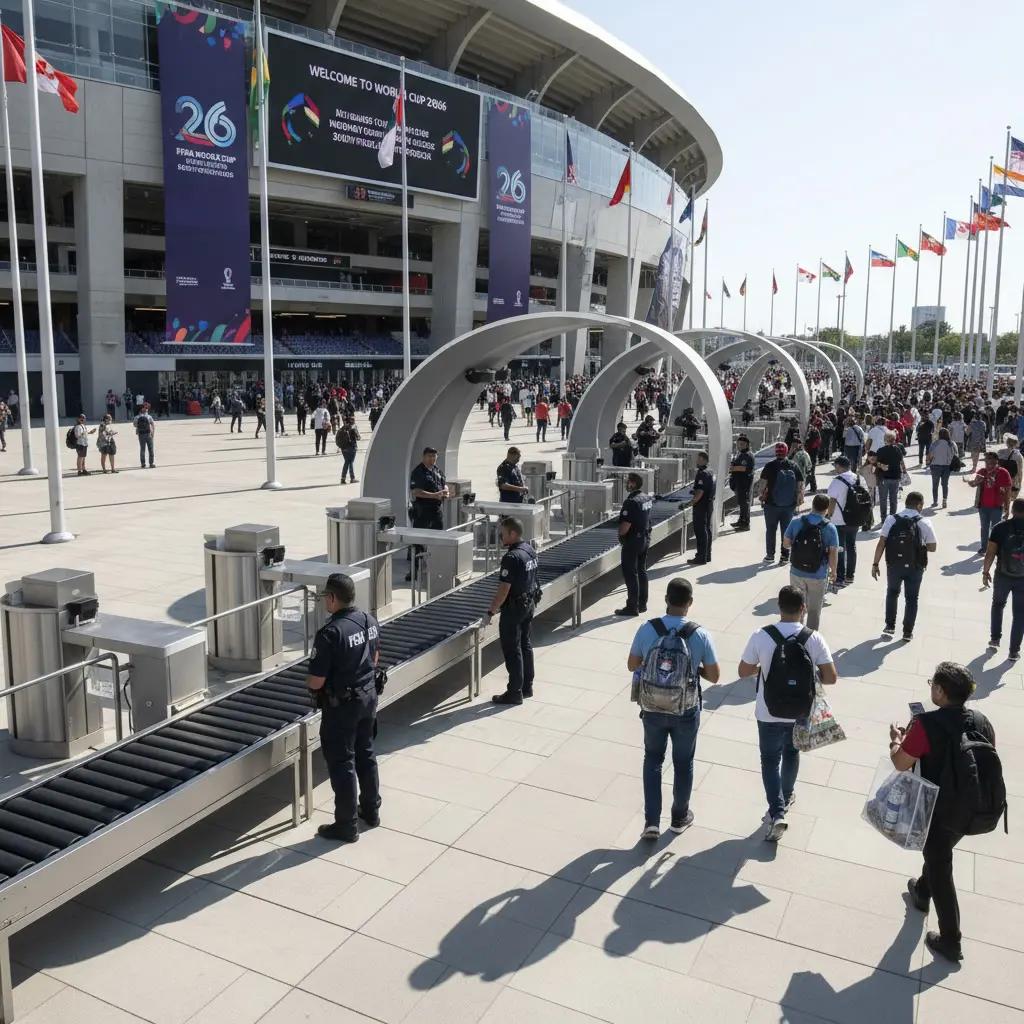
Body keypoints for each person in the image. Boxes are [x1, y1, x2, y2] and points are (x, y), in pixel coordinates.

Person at [890, 662, 996, 962]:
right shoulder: (981, 720)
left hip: (938, 810)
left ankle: (951, 940)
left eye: (932, 684)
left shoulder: (926, 725)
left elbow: (900, 763)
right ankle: (922, 891)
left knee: (941, 868)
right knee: (938, 855)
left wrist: (896, 740)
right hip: (974, 806)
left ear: (940, 691)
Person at [738, 585, 838, 841]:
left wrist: (764, 666)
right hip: (800, 712)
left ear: (778, 607)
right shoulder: (813, 638)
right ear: (803, 608)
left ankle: (777, 810)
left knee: (769, 760)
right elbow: (831, 678)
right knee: (792, 752)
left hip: (768, 711)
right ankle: (786, 794)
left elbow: (743, 671)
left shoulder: (761, 635)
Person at [627, 577, 720, 839]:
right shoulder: (699, 634)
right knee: (683, 763)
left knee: (653, 760)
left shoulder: (648, 629)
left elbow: (632, 664)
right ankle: (679, 817)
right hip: (686, 710)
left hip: (653, 707)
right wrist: (695, 669)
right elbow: (714, 676)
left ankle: (651, 822)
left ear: (666, 599)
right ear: (690, 603)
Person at [306, 573, 381, 843]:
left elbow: (316, 680)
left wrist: (314, 690)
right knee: (366, 753)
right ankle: (371, 810)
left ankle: (346, 823)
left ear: (332, 597)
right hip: (368, 697)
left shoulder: (330, 633)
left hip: (342, 707)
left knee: (342, 762)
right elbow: (374, 657)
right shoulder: (368, 620)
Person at [486, 517, 539, 705]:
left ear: (513, 533)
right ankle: (527, 686)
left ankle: (514, 691)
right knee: (525, 644)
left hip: (514, 608)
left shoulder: (511, 557)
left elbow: (503, 590)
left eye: (503, 533)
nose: (500, 536)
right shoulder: (530, 550)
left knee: (512, 648)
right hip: (528, 603)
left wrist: (491, 612)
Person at [871, 490, 937, 641]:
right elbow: (933, 547)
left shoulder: (891, 519)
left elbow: (881, 542)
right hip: (916, 566)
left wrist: (875, 563)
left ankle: (890, 626)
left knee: (892, 593)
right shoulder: (924, 522)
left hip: (894, 564)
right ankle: (907, 632)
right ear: (919, 505)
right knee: (912, 598)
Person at [782, 494, 839, 630]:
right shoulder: (830, 527)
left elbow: (786, 543)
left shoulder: (796, 522)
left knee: (796, 606)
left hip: (797, 571)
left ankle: (795, 633)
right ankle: (809, 637)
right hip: (818, 574)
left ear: (812, 505)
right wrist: (833, 572)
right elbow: (833, 552)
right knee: (814, 610)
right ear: (826, 509)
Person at [984, 496, 1024, 659]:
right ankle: (1014, 650)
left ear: (1012, 510)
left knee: (998, 604)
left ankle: (995, 638)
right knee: (1020, 614)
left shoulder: (1001, 527)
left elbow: (990, 552)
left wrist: (985, 572)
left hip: (1003, 574)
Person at [759, 442, 804, 565]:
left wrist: (761, 495)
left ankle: (770, 555)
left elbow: (762, 484)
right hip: (789, 505)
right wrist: (799, 500)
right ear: (786, 451)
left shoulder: (769, 466)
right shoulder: (793, 465)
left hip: (771, 504)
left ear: (776, 452)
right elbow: (800, 484)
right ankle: (784, 556)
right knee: (786, 531)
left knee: (771, 530)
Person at [409, 446, 448, 581]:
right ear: (423, 457)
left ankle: (436, 569)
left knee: (438, 541)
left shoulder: (436, 471)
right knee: (418, 543)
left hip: (437, 511)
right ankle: (414, 571)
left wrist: (445, 491)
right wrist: (434, 495)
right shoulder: (418, 472)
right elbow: (417, 491)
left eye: (434, 457)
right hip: (422, 512)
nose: (432, 460)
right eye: (430, 457)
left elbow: (444, 483)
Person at [616, 472, 652, 616]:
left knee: (630, 573)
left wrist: (621, 536)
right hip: (645, 537)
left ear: (633, 484)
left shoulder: (631, 501)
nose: (627, 484)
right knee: (641, 570)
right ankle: (642, 603)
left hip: (633, 540)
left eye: (629, 482)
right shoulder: (646, 498)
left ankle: (632, 606)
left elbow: (625, 525)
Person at [826, 455, 862, 587]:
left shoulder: (837, 481)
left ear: (840, 466)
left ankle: (840, 577)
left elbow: (832, 500)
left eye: (836, 466)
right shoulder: (858, 478)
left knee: (840, 548)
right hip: (855, 518)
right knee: (851, 546)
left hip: (839, 520)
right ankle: (850, 576)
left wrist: (828, 516)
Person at [967, 451, 1012, 554]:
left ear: (997, 462)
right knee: (984, 528)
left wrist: (1007, 508)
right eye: (986, 462)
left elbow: (1008, 491)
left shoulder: (1003, 473)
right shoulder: (982, 472)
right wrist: (971, 482)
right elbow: (974, 483)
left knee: (996, 529)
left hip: (997, 506)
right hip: (983, 506)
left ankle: (996, 548)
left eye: (991, 463)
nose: (988, 465)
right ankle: (984, 547)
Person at [680, 451, 715, 566]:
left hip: (702, 505)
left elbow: (700, 492)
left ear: (705, 460)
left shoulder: (702, 474)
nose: (697, 462)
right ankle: (707, 554)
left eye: (699, 460)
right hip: (709, 504)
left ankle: (701, 557)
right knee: (707, 529)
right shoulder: (710, 471)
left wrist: (689, 503)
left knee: (701, 531)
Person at [874, 430, 908, 522]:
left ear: (885, 440)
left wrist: (881, 466)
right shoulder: (898, 449)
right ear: (894, 440)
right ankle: (892, 517)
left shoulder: (880, 450)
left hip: (884, 477)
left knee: (883, 499)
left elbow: (876, 463)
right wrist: (904, 471)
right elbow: (901, 462)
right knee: (893, 499)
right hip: (896, 476)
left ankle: (883, 517)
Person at [729, 434, 755, 531]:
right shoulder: (740, 454)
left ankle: (746, 523)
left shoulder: (747, 455)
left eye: (742, 444)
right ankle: (741, 520)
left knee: (745, 503)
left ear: (747, 445)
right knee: (741, 503)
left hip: (745, 483)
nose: (739, 446)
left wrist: (731, 468)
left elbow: (743, 468)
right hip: (739, 483)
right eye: (738, 444)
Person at [925, 428, 955, 508]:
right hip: (947, 466)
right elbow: (954, 455)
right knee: (945, 484)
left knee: (935, 484)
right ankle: (944, 500)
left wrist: (928, 462)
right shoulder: (951, 444)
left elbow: (930, 455)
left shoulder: (935, 443)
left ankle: (935, 501)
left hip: (935, 465)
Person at [336, 415, 360, 484]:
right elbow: (358, 438)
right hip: (351, 447)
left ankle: (343, 478)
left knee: (347, 462)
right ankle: (352, 478)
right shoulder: (353, 428)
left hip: (343, 448)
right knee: (350, 462)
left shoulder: (342, 429)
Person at [135, 403, 156, 468]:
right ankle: (151, 463)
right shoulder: (149, 417)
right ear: (143, 409)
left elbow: (135, 425)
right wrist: (153, 433)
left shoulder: (137, 417)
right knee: (151, 449)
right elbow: (152, 424)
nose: (147, 409)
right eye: (146, 408)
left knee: (142, 449)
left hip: (141, 435)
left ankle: (143, 463)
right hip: (148, 434)